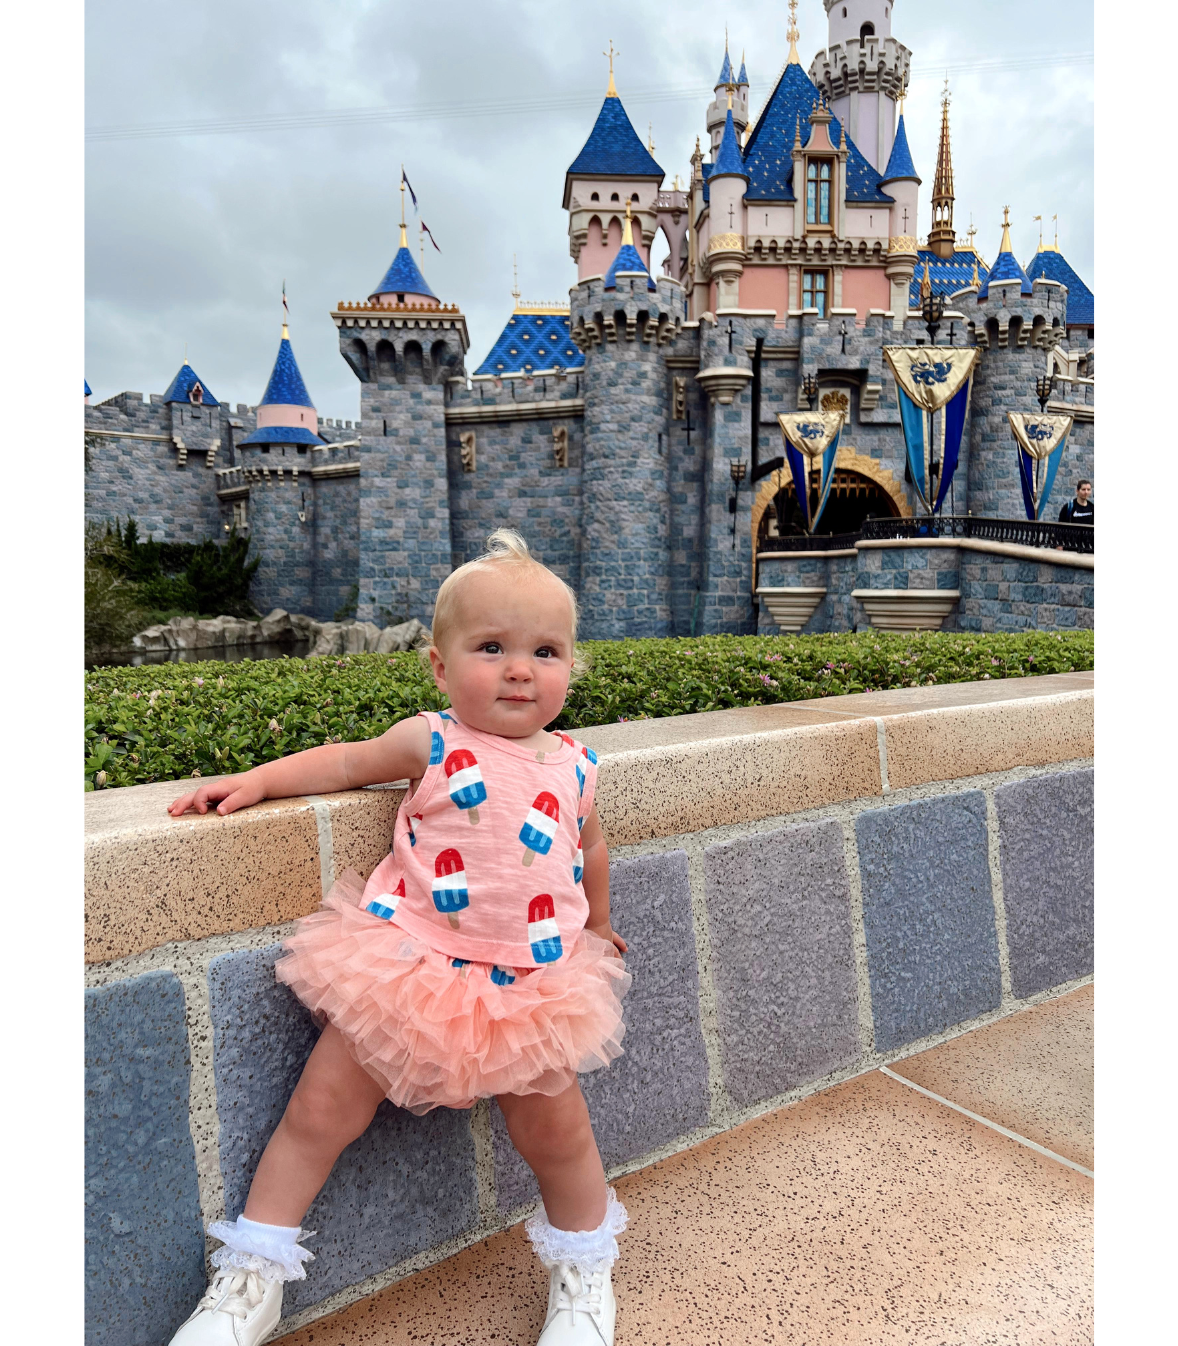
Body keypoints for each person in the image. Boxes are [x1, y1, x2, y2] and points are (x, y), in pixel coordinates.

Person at [165, 529, 631, 1346]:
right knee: (319, 1111)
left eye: (546, 651)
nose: (520, 668)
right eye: (492, 648)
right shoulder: (434, 740)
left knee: (558, 1135)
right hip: (410, 965)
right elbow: (345, 765)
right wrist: (260, 780)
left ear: (571, 665)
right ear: (441, 668)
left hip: (536, 980)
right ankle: (251, 1278)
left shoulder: (579, 764)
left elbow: (587, 845)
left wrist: (598, 921)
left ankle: (585, 1275)